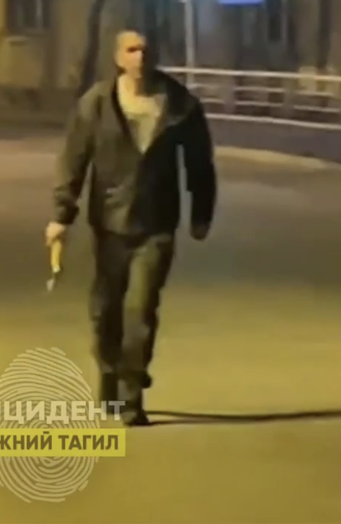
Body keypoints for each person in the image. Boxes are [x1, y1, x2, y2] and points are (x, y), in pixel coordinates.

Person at [45, 30, 217, 426]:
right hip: (109, 223)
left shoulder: (181, 105)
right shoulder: (97, 103)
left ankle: (131, 394)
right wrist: (61, 215)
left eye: (146, 49)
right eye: (132, 49)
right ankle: (109, 371)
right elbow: (73, 160)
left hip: (157, 224)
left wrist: (201, 213)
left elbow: (200, 164)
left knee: (140, 309)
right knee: (105, 311)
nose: (140, 56)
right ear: (118, 57)